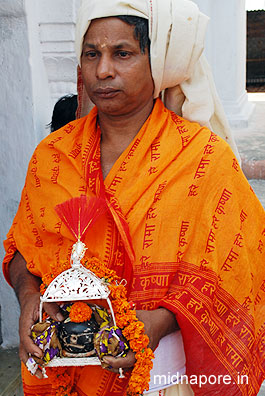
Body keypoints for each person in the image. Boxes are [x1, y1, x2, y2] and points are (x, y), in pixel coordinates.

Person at [2, 1, 265, 395]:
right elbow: (23, 247)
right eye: (92, 54)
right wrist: (28, 297)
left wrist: (160, 321)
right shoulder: (52, 156)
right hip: (70, 377)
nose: (103, 70)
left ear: (155, 60)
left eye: (121, 54)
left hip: (163, 380)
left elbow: (239, 268)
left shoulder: (203, 157)